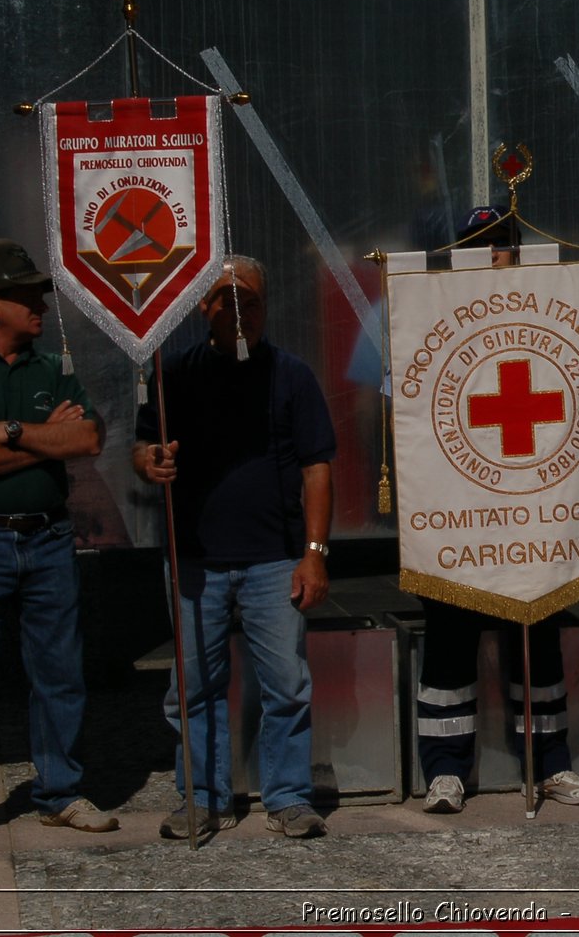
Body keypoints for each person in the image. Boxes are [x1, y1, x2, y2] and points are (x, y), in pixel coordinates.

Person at [0, 238, 117, 843]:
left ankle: (60, 790)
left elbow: (87, 440)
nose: (39, 303)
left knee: (59, 671)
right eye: (25, 293)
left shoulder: (50, 367)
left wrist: (4, 434)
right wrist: (38, 439)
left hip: (47, 538)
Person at [134, 256, 334, 839]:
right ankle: (202, 797)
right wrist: (150, 463)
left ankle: (289, 796)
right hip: (195, 557)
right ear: (204, 307)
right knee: (192, 689)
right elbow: (143, 447)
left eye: (250, 299)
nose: (239, 309)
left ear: (266, 307)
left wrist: (315, 551)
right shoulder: (173, 374)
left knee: (287, 684)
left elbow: (317, 466)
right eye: (226, 298)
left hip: (275, 556)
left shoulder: (291, 376)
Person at [415, 208, 579, 812]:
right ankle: (446, 771)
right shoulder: (426, 315)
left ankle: (550, 765)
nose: (491, 254)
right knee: (448, 640)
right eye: (478, 245)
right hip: (457, 510)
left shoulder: (549, 312)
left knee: (539, 637)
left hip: (531, 510)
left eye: (500, 244)